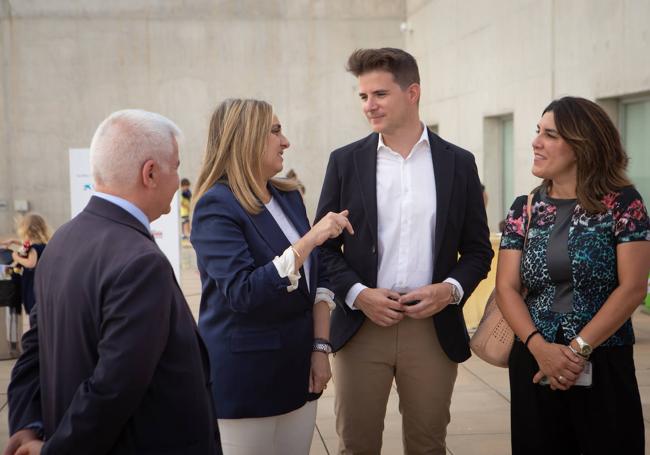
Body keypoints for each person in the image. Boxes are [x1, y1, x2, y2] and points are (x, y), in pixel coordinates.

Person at [4, 109, 222, 455]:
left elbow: (34, 353)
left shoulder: (62, 240)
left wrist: (28, 428)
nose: (181, 177)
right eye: (176, 165)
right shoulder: (141, 262)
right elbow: (114, 387)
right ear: (150, 173)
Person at [315, 48, 493, 454]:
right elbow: (324, 247)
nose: (369, 106)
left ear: (412, 92)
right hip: (362, 327)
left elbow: (479, 251)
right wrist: (359, 294)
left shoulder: (459, 163)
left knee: (428, 445)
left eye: (379, 94)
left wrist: (448, 290)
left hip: (432, 330)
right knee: (356, 445)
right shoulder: (345, 162)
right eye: (362, 97)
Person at [191, 98, 352, 455]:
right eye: (276, 131)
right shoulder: (216, 206)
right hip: (246, 384)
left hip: (299, 375)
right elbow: (243, 292)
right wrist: (310, 240)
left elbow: (318, 275)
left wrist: (320, 347)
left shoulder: (287, 197)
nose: (286, 141)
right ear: (246, 138)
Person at [496, 96, 649, 454]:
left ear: (582, 145)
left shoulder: (623, 203)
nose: (536, 142)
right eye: (538, 132)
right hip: (533, 357)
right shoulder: (526, 207)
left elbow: (633, 288)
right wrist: (540, 348)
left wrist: (577, 350)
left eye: (550, 135)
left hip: (604, 356)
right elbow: (506, 287)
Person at [1, 213, 51, 318]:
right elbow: (26, 245)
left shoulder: (33, 248)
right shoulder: (43, 246)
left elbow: (31, 263)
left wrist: (16, 257)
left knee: (34, 314)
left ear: (27, 231)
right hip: (41, 286)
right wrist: (14, 241)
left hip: (32, 287)